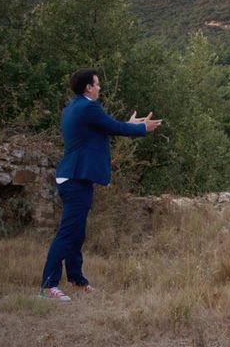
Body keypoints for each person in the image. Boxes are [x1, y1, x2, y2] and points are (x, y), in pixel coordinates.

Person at [40, 69, 162, 301]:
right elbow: (114, 128)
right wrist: (141, 128)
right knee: (68, 233)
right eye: (97, 84)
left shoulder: (74, 107)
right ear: (88, 87)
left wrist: (128, 124)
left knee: (77, 233)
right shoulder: (88, 107)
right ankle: (48, 285)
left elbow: (106, 127)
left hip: (75, 177)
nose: (99, 88)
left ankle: (77, 280)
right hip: (75, 178)